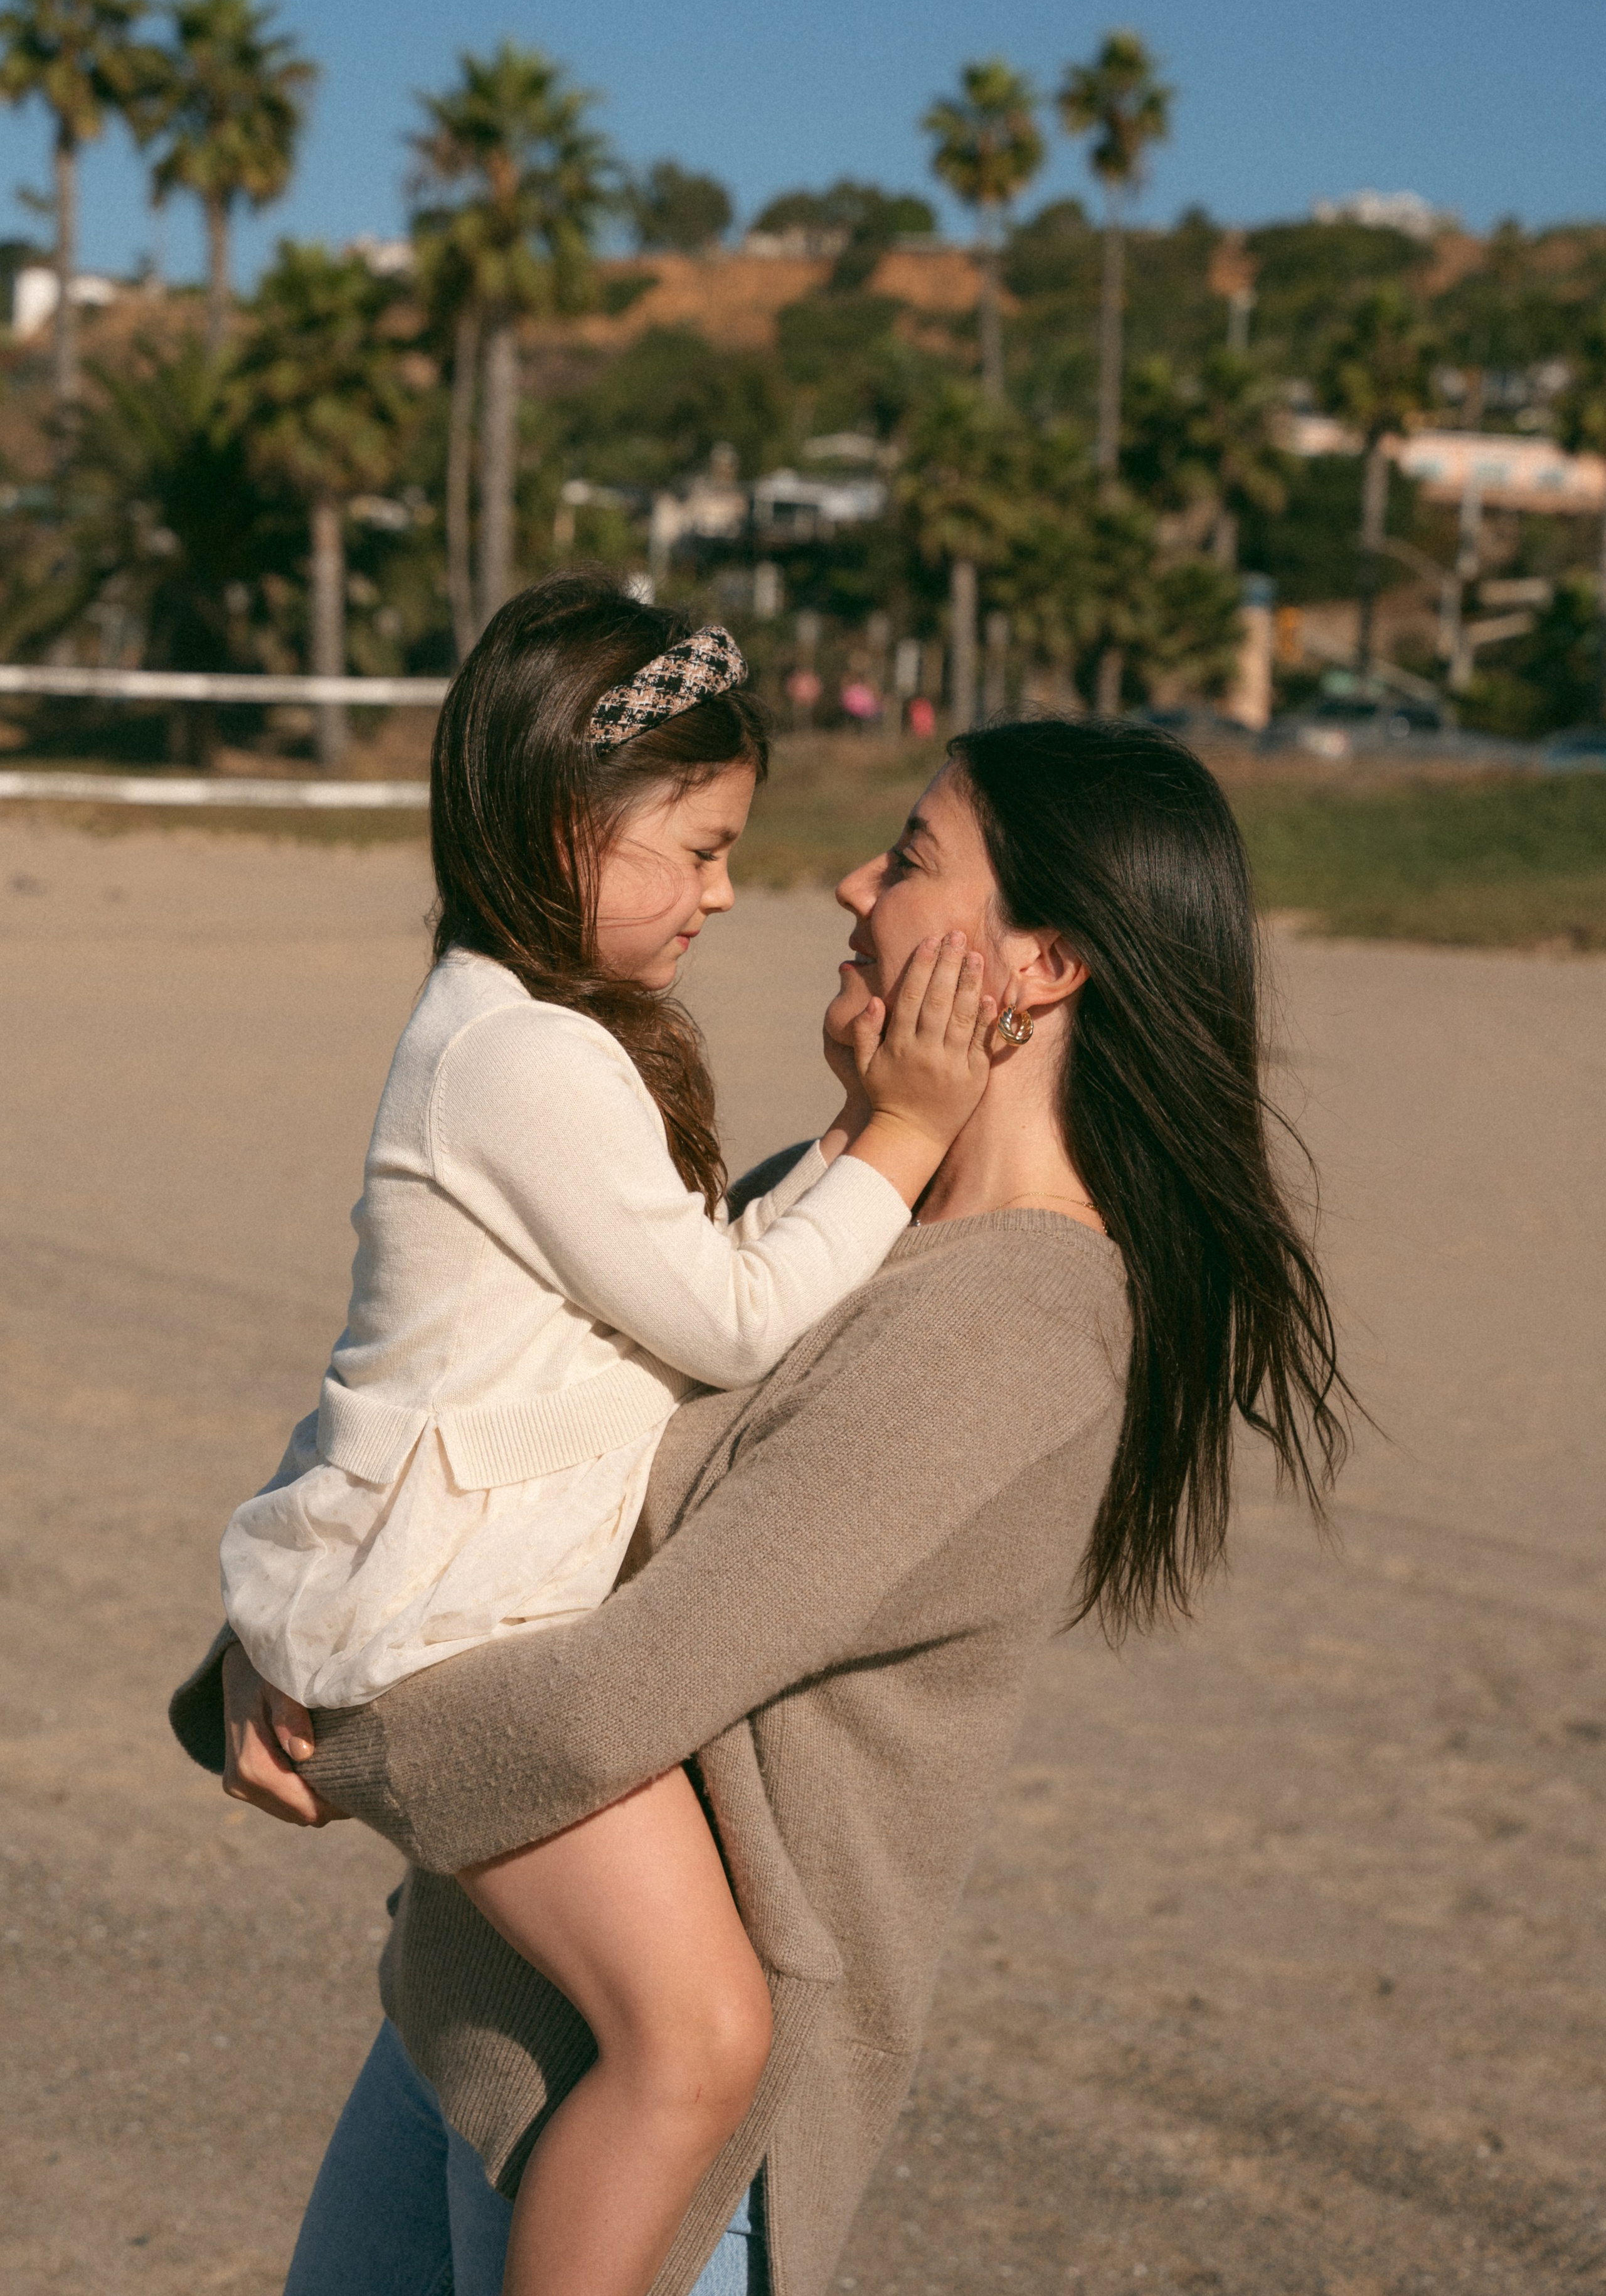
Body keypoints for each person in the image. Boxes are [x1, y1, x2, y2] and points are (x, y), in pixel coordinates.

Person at [174, 715, 1354, 2296]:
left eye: (913, 858)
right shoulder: (834, 1196)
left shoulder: (1006, 1334)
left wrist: (335, 1713)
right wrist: (271, 1630)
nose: (852, 883)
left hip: (663, 2140)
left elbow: (614, 1698)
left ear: (1043, 963)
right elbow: (475, 1395)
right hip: (470, 2014)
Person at [213, 575, 996, 2296]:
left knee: (680, 2033)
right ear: (568, 825)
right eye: (699, 848)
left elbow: (620, 1310)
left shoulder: (518, 1032)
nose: (724, 892)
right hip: (453, 1632)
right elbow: (732, 1318)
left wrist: (847, 1137)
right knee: (700, 2035)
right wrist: (905, 1131)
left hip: (443, 1606)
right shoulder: (522, 1057)